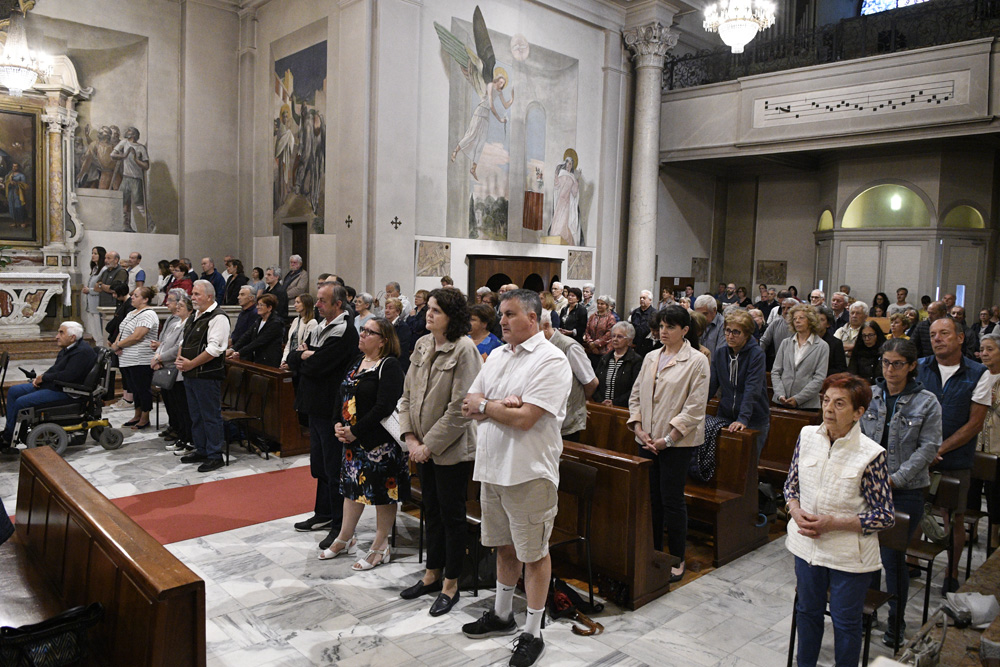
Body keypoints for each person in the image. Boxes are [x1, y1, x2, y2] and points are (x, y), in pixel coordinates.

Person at [458, 289, 571, 666]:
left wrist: (490, 406)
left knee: (534, 554)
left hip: (528, 472)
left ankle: (533, 631)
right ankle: (503, 615)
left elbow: (526, 418)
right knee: (503, 547)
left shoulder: (551, 360)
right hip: (492, 467)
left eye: (509, 314)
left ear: (534, 318)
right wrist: (494, 406)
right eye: (500, 314)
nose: (501, 320)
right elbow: (469, 403)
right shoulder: (498, 356)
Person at [785, 373, 894, 667]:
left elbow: (884, 515)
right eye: (826, 401)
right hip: (807, 547)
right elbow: (791, 486)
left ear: (859, 413)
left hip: (849, 555)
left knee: (846, 623)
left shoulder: (871, 454)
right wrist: (795, 511)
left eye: (840, 403)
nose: (829, 409)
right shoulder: (807, 436)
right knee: (807, 613)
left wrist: (833, 522)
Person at [398, 289, 482, 616]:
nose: (429, 314)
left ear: (452, 316)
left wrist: (427, 445)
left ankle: (451, 583)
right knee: (429, 510)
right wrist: (410, 439)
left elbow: (461, 408)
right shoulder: (422, 344)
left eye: (436, 310)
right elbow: (406, 396)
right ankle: (431, 573)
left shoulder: (464, 350)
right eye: (429, 309)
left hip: (450, 451)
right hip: (421, 448)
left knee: (451, 515)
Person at [860, 338, 942, 648]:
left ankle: (896, 619)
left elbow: (928, 448)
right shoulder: (872, 395)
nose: (890, 369)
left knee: (893, 559)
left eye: (897, 364)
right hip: (871, 486)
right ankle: (868, 612)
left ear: (911, 367)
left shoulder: (926, 401)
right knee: (867, 554)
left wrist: (894, 479)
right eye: (885, 362)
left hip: (906, 489)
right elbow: (860, 437)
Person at [628, 305, 710, 582]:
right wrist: (639, 428)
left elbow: (696, 407)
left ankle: (677, 557)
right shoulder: (651, 356)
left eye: (670, 327)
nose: (663, 331)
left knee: (672, 500)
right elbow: (636, 394)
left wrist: (668, 439)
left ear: (685, 330)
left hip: (677, 443)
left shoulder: (697, 361)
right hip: (647, 439)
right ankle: (653, 551)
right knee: (652, 499)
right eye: (661, 326)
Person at [323, 318, 408, 572]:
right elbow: (342, 394)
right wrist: (338, 424)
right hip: (353, 442)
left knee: (383, 495)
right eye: (363, 330)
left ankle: (381, 546)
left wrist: (355, 432)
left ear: (383, 340)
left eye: (369, 332)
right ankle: (345, 537)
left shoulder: (389, 366)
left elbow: (385, 406)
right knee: (351, 491)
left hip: (379, 445)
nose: (362, 334)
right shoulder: (357, 361)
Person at [917, 316, 989, 593]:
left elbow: (975, 424)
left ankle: (951, 570)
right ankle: (911, 558)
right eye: (933, 334)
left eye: (944, 333)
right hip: (920, 454)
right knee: (914, 507)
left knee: (953, 516)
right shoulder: (920, 367)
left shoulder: (978, 373)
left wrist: (940, 449)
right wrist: (924, 450)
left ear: (960, 338)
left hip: (956, 457)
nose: (937, 338)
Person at [288, 284, 359, 546]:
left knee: (333, 466)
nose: (317, 305)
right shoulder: (320, 326)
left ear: (338, 304)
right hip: (315, 407)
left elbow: (317, 366)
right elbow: (297, 358)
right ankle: (323, 513)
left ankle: (340, 525)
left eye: (322, 301)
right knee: (319, 466)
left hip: (331, 409)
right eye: (317, 300)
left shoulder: (345, 332)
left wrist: (308, 355)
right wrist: (305, 355)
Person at [2, 322, 97, 448]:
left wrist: (45, 378)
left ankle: (10, 439)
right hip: (55, 385)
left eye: (61, 333)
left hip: (67, 391)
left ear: (72, 337)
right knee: (14, 391)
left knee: (21, 402)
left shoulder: (82, 352)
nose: (57, 336)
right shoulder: (68, 349)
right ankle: (9, 431)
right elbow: (56, 369)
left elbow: (69, 376)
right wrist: (40, 378)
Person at [175, 280, 232, 473]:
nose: (193, 297)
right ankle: (201, 449)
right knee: (196, 415)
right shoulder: (195, 315)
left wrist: (191, 363)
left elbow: (215, 349)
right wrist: (180, 358)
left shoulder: (219, 317)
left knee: (210, 416)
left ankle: (215, 455)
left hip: (207, 375)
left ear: (209, 296)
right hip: (191, 373)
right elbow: (184, 340)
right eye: (192, 294)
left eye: (197, 294)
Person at [709, 310, 770, 456]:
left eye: (736, 332)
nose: (730, 336)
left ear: (747, 334)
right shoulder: (720, 353)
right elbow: (711, 385)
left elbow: (752, 389)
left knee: (747, 465)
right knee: (723, 461)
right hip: (725, 414)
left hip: (753, 417)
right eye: (727, 331)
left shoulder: (756, 355)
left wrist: (743, 419)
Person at [542, 311, 598, 441]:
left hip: (567, 421)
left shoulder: (569, 346)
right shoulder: (538, 346)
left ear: (545, 327)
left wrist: (580, 402)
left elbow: (591, 382)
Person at [969, 333, 1000, 554]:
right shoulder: (978, 375)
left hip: (997, 446)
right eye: (982, 349)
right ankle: (970, 530)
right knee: (970, 493)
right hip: (975, 444)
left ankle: (994, 535)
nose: (985, 354)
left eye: (990, 349)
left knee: (995, 496)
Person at [153, 289, 194, 454]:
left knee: (183, 409)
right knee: (174, 407)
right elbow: (163, 343)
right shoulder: (176, 323)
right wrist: (157, 356)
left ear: (190, 309)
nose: (178, 307)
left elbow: (179, 347)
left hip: (177, 371)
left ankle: (187, 439)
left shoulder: (188, 324)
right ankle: (181, 438)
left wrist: (160, 358)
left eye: (182, 305)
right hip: (167, 366)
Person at [112, 286, 159, 430]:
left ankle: (145, 418)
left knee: (142, 388)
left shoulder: (149, 314)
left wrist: (118, 345)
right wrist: (116, 344)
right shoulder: (132, 312)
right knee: (134, 389)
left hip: (141, 358)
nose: (132, 297)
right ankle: (137, 415)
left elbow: (138, 336)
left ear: (145, 299)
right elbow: (123, 330)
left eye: (136, 295)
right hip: (127, 358)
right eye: (133, 295)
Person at [772, 304, 830, 409]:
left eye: (801, 318)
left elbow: (819, 378)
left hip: (807, 404)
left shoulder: (822, 346)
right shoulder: (786, 343)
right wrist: (780, 394)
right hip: (782, 401)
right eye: (794, 319)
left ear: (811, 320)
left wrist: (798, 399)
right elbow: (776, 371)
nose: (797, 321)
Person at [593, 321, 643, 408]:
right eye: (613, 336)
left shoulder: (635, 361)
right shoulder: (605, 359)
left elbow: (636, 389)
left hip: (623, 408)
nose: (615, 339)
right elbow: (596, 382)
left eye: (620, 336)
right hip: (601, 406)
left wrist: (615, 402)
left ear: (629, 340)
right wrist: (601, 401)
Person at [227, 293, 284, 367]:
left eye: (261, 305)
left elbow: (259, 341)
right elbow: (247, 335)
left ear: (269, 308)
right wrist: (233, 349)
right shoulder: (259, 320)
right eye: (258, 304)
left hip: (269, 360)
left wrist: (239, 352)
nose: (257, 307)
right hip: (258, 358)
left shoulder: (275, 323)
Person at [281, 293, 318, 368]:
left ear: (306, 304)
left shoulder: (312, 322)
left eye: (298, 302)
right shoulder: (296, 320)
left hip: (300, 362)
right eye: (295, 302)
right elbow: (289, 343)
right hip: (290, 358)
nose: (295, 305)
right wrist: (284, 360)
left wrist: (291, 364)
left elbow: (304, 346)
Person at [80, 246, 107, 345]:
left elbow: (101, 287)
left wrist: (89, 290)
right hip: (91, 303)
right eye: (92, 253)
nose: (93, 255)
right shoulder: (95, 268)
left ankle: (101, 347)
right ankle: (97, 345)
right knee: (93, 329)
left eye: (95, 253)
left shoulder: (104, 269)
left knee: (99, 330)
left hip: (97, 302)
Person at [583, 295, 616, 368]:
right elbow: (587, 330)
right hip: (591, 349)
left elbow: (609, 334)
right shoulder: (592, 316)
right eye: (598, 303)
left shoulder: (610, 318)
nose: (599, 305)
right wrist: (590, 343)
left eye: (602, 304)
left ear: (607, 305)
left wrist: (596, 344)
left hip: (604, 351)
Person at [816, 305, 848, 376]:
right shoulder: (806, 340)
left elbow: (841, 369)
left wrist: (821, 370)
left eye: (822, 320)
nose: (817, 323)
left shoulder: (836, 343)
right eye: (815, 319)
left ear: (828, 324)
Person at [384, 297, 412, 371]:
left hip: (398, 364)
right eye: (386, 308)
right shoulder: (384, 325)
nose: (387, 310)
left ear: (397, 311)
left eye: (390, 308)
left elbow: (400, 349)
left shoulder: (403, 327)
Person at [630, 290, 657, 358]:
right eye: (640, 298)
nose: (642, 300)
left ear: (650, 300)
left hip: (648, 344)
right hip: (636, 344)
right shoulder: (635, 312)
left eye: (644, 298)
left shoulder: (654, 313)